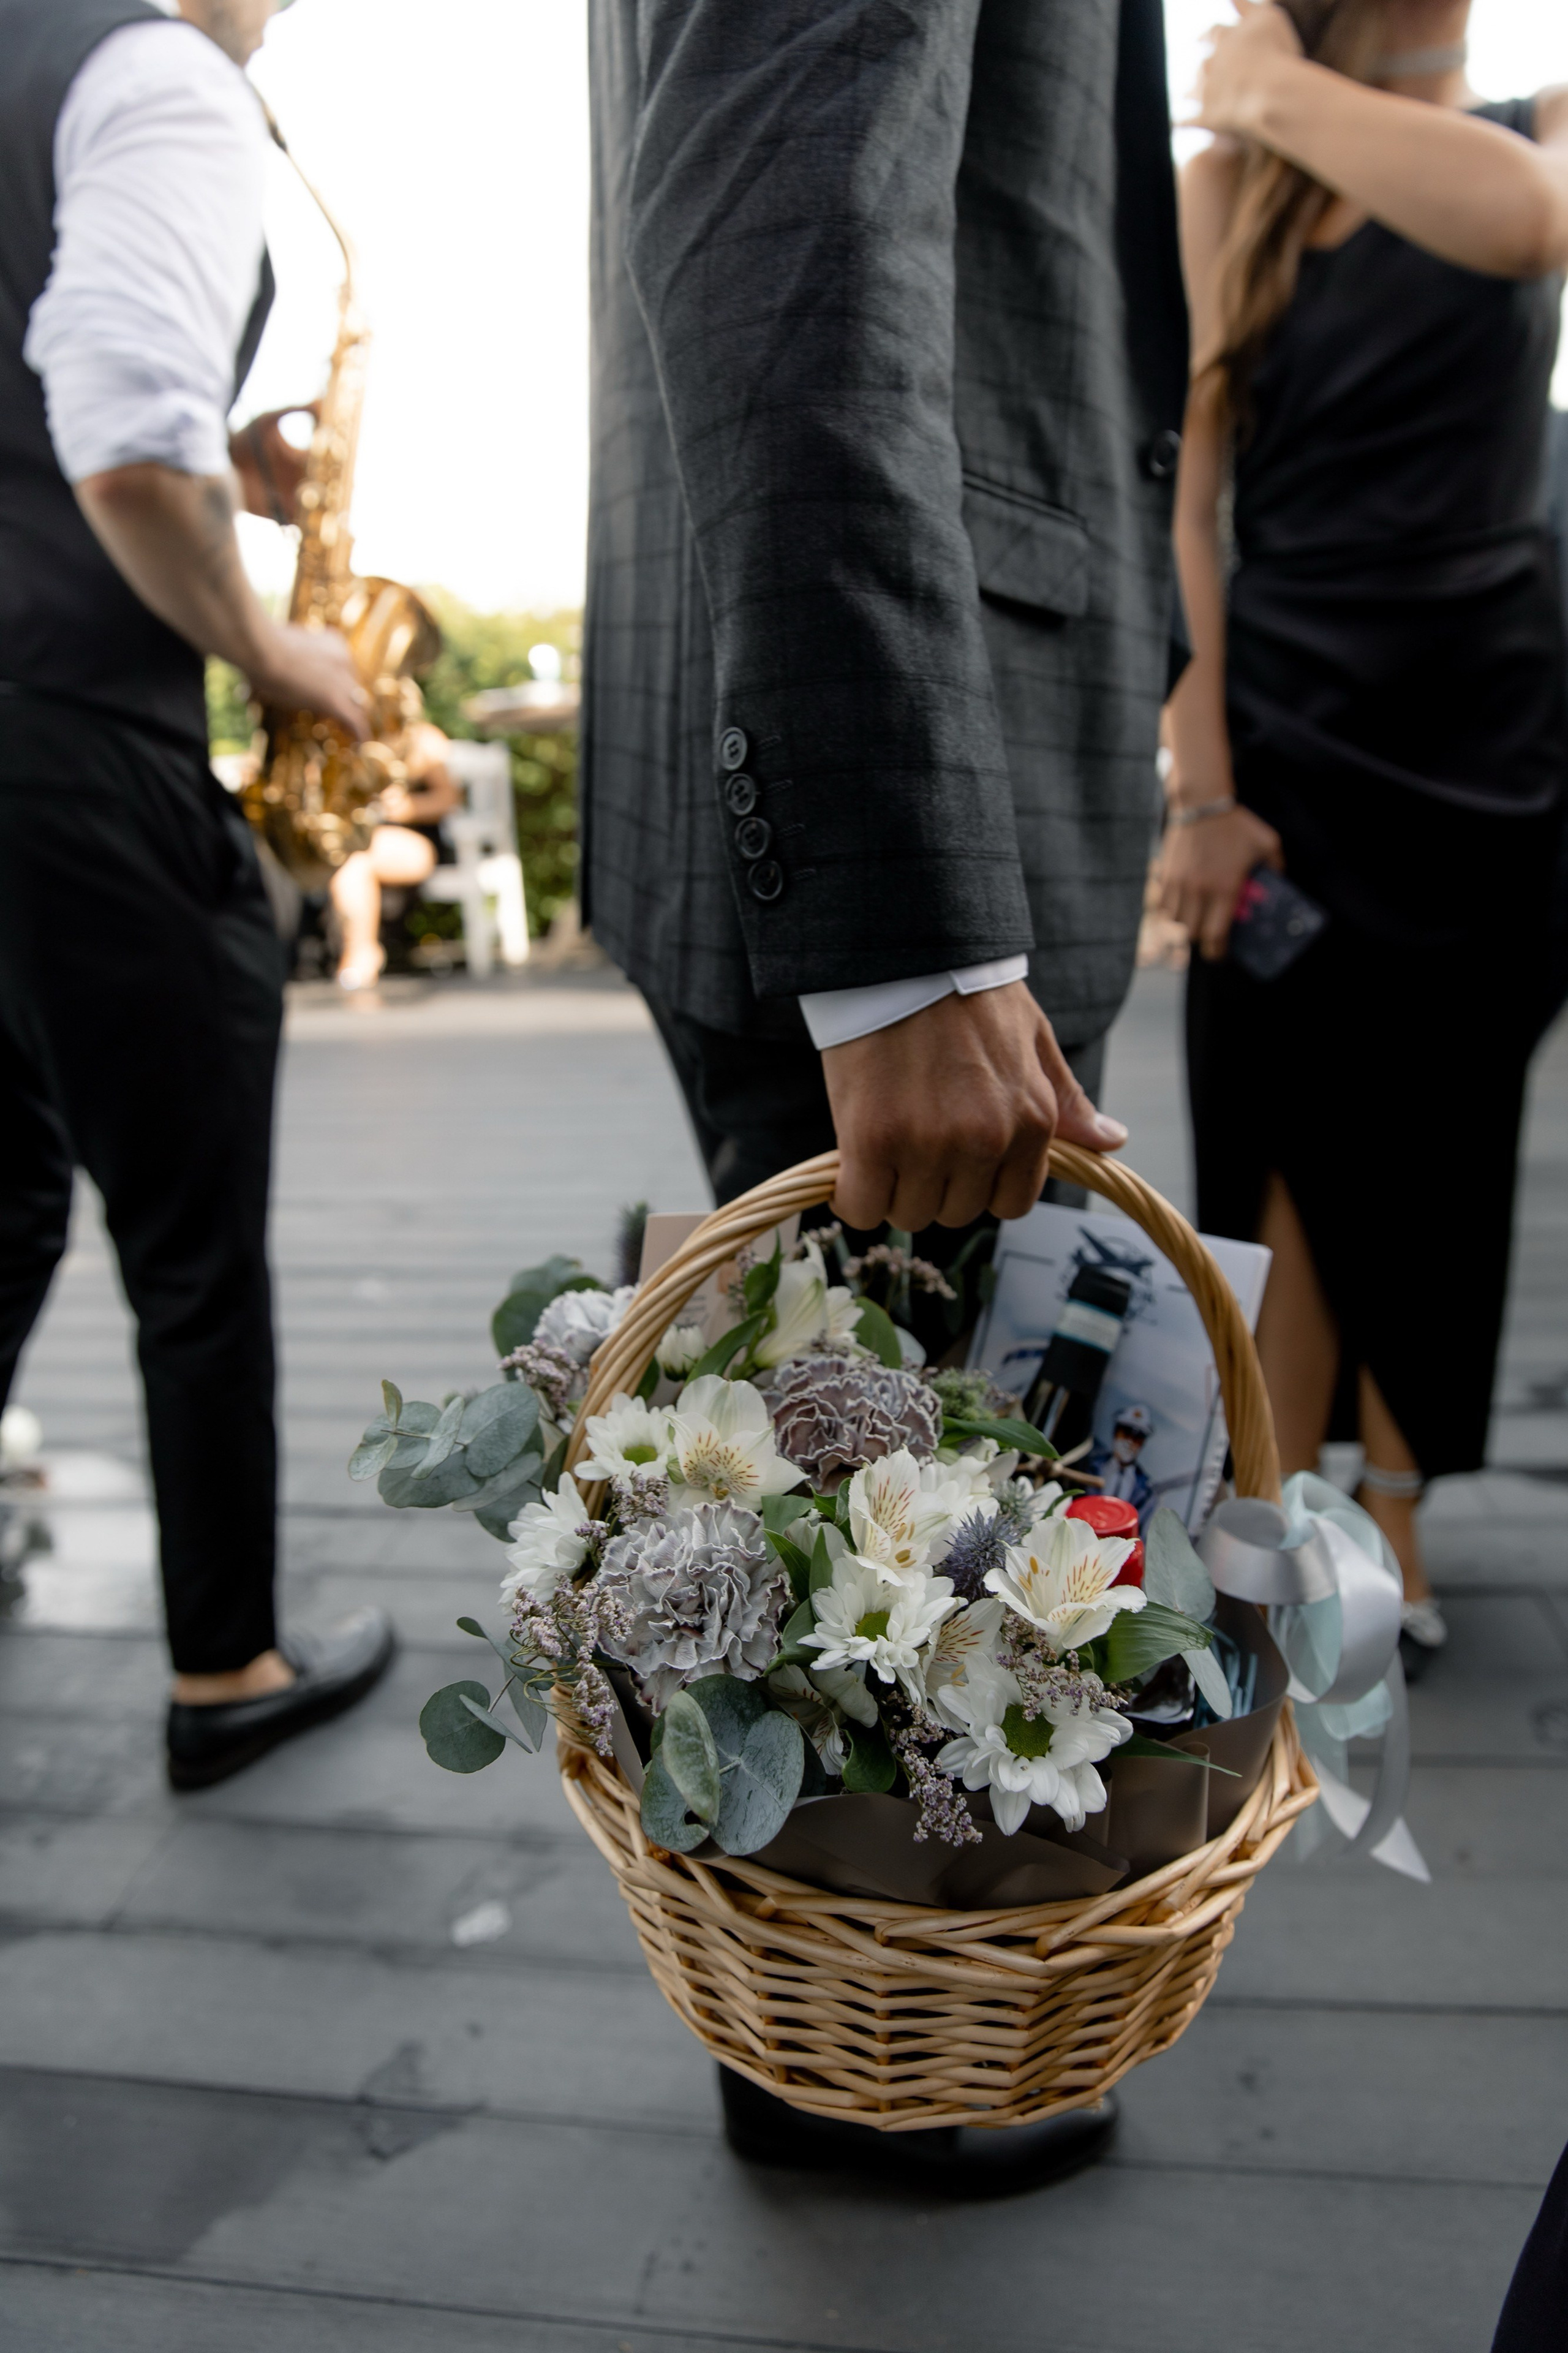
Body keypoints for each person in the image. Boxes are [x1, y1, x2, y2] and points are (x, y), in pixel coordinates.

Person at [582, 0, 1189, 2183]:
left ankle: (844, 2038)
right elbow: (783, 184)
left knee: (866, 1477)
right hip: (910, 769)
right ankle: (852, 2064)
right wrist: (904, 927)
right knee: (869, 1482)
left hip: (920, 716)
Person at [0, 0, 396, 1786]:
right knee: (193, 1248)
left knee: (7, 1196)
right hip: (83, 748)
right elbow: (117, 439)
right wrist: (270, 644)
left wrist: (225, 462)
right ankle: (227, 1665)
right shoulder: (161, 71)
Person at [1159, 0, 1568, 1671]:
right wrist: (1200, 787)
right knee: (1279, 1130)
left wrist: (1274, 86)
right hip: (1287, 724)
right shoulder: (1221, 186)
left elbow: (1523, 222)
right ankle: (1278, 1515)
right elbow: (1185, 506)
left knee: (1444, 1136)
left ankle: (1393, 1516)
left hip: (1492, 731)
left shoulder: (1533, 134)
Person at [330, 712, 464, 991]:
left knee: (356, 857)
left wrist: (407, 807)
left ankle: (361, 953)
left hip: (414, 839)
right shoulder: (341, 737)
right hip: (353, 838)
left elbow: (450, 798)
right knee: (350, 854)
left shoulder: (422, 738)